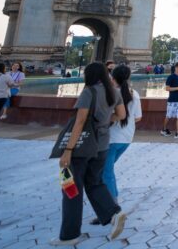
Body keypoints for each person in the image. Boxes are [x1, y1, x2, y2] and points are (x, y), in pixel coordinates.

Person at [53, 62, 127, 246]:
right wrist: (104, 122)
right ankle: (113, 212)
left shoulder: (89, 92)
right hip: (102, 145)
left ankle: (69, 235)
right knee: (95, 183)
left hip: (82, 147)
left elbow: (80, 122)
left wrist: (67, 150)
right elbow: (122, 115)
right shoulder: (114, 92)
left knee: (71, 188)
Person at [103, 65, 142, 202]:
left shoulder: (111, 93)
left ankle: (113, 205)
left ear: (112, 78)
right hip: (126, 138)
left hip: (111, 139)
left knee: (105, 172)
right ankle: (112, 200)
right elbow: (138, 117)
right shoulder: (134, 94)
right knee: (107, 170)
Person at [161, 62, 178, 139]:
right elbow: (167, 88)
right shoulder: (171, 77)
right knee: (168, 116)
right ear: (176, 68)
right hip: (172, 100)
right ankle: (164, 129)